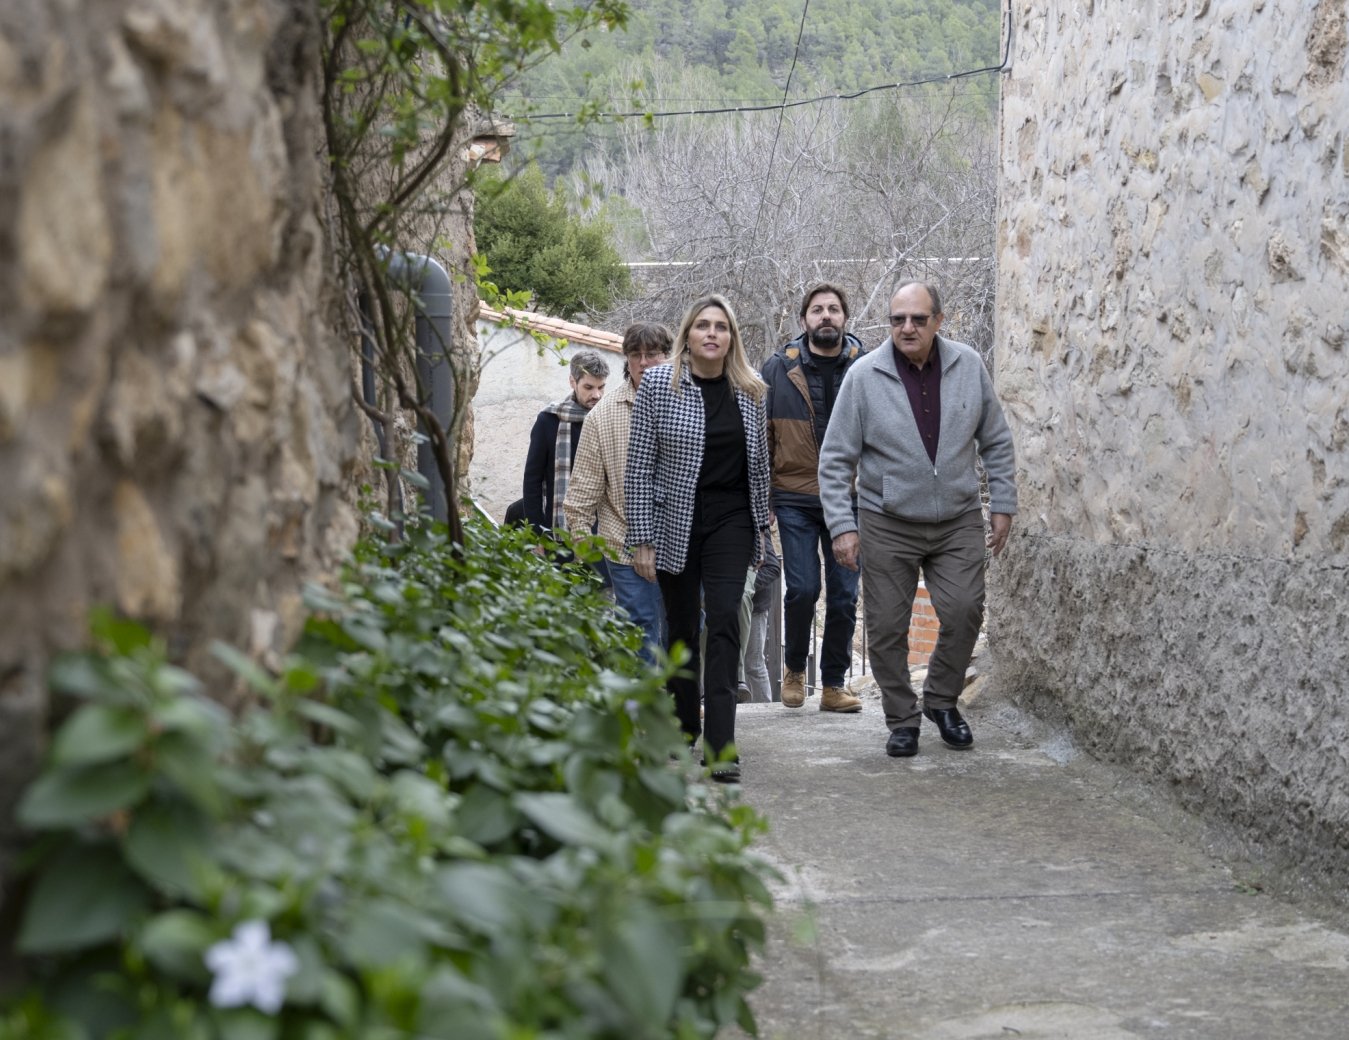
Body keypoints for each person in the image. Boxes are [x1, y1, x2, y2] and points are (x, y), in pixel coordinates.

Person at [819, 280, 1017, 758]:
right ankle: (902, 719)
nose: (906, 328)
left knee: (966, 608)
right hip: (887, 521)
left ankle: (942, 701)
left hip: (957, 518)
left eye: (918, 319)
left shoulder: (968, 366)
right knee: (888, 628)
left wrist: (1004, 504)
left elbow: (995, 439)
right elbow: (835, 460)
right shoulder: (863, 376)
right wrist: (843, 527)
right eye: (897, 319)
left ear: (939, 321)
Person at [626, 296, 771, 782]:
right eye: (703, 326)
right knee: (683, 629)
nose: (712, 333)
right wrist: (641, 538)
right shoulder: (658, 389)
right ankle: (685, 723)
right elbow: (639, 466)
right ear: (688, 334)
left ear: (732, 338)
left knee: (726, 618)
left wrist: (760, 535)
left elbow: (761, 470)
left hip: (732, 520)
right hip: (675, 520)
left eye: (722, 327)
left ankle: (721, 745)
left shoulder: (750, 391)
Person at [760, 284, 868, 712]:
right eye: (818, 310)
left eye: (834, 310)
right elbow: (761, 435)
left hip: (852, 498)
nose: (826, 316)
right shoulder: (777, 369)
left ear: (845, 318)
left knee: (844, 595)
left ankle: (833, 685)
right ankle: (794, 671)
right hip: (793, 495)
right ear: (803, 320)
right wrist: (763, 492)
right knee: (803, 588)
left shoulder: (869, 367)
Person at [564, 325, 673, 662]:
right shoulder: (603, 415)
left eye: (652, 353)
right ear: (626, 358)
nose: (644, 362)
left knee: (683, 628)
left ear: (666, 356)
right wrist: (587, 556)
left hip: (682, 542)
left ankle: (681, 705)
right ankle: (643, 708)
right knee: (639, 627)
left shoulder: (692, 403)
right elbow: (581, 496)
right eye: (636, 355)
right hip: (623, 544)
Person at [522, 350, 609, 545]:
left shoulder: (611, 420)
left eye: (601, 387)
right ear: (573, 382)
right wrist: (536, 536)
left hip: (604, 531)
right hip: (558, 531)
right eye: (588, 387)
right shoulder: (548, 421)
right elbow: (532, 481)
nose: (596, 395)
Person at [741, 542, 781, 703]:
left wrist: (746, 587)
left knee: (754, 664)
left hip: (754, 607)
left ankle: (765, 712)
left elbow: (773, 568)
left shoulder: (757, 527)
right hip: (724, 605)